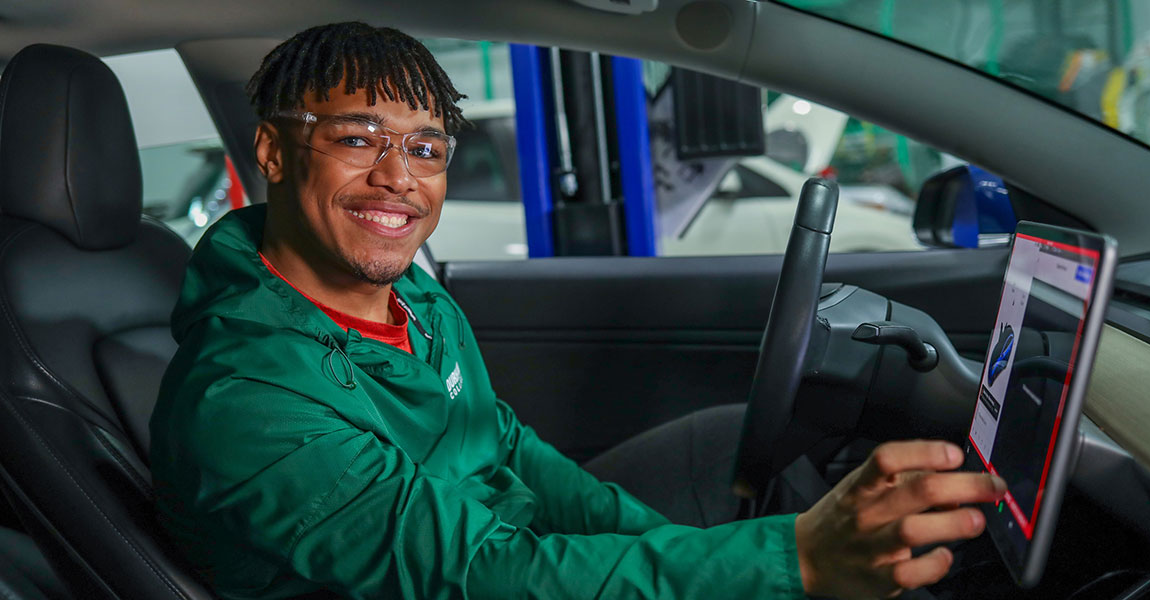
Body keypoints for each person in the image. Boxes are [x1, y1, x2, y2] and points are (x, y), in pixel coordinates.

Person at [150, 22, 1007, 600]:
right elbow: (481, 574)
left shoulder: (405, 290)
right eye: (357, 138)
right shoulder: (246, 403)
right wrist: (793, 559)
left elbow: (503, 442)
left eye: (424, 147)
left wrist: (661, 535)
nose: (398, 178)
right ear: (271, 150)